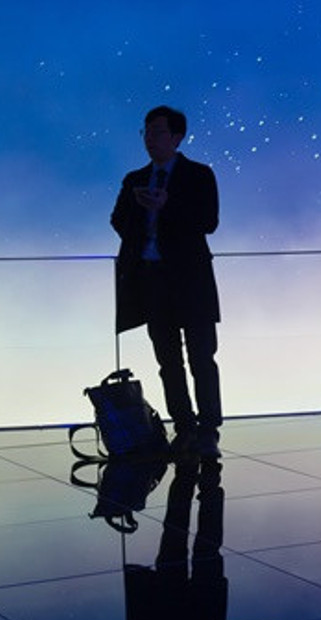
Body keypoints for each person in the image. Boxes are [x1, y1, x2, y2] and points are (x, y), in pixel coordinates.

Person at [111, 105, 222, 458]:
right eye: (146, 131)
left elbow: (208, 221)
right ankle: (184, 427)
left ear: (177, 137)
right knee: (168, 361)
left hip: (191, 281)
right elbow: (117, 221)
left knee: (202, 357)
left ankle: (209, 430)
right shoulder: (135, 179)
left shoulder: (199, 175)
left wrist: (166, 206)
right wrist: (142, 208)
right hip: (152, 279)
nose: (150, 138)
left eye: (158, 131)